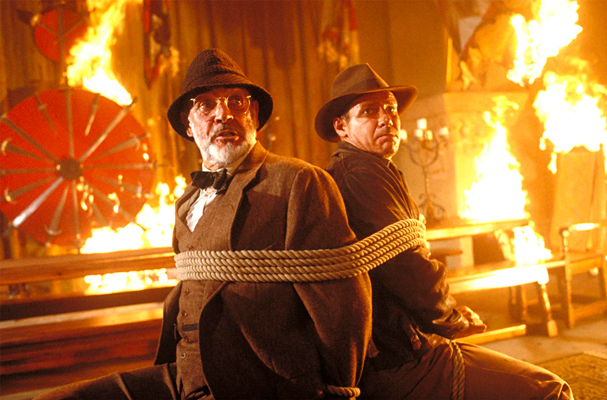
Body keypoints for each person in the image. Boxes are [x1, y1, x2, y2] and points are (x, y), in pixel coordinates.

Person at [36, 49, 373, 400]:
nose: (223, 114)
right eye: (206, 105)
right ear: (188, 123)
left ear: (253, 114)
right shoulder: (186, 202)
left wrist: (335, 387)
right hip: (184, 375)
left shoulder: (296, 182)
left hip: (258, 384)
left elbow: (343, 305)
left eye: (236, 102)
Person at [314, 63, 573, 400]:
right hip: (400, 359)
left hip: (403, 344)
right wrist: (451, 317)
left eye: (390, 109)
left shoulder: (368, 169)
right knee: (550, 390)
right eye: (369, 111)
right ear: (342, 127)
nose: (386, 119)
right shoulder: (360, 175)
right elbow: (406, 266)